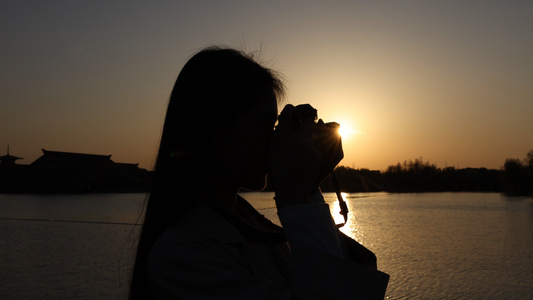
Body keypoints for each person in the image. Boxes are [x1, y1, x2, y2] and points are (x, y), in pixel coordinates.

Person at [129, 46, 389, 299]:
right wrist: (296, 195)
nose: (275, 140)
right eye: (265, 125)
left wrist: (307, 189)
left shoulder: (254, 228)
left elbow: (350, 276)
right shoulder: (181, 257)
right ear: (215, 132)